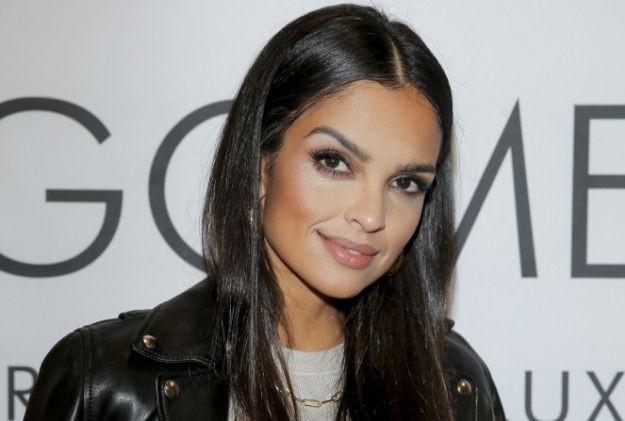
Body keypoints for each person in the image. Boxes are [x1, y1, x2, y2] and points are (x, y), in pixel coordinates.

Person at [24, 4, 506, 421]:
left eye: (405, 183)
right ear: (259, 167)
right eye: (334, 162)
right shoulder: (106, 382)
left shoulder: (455, 387)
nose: (371, 215)